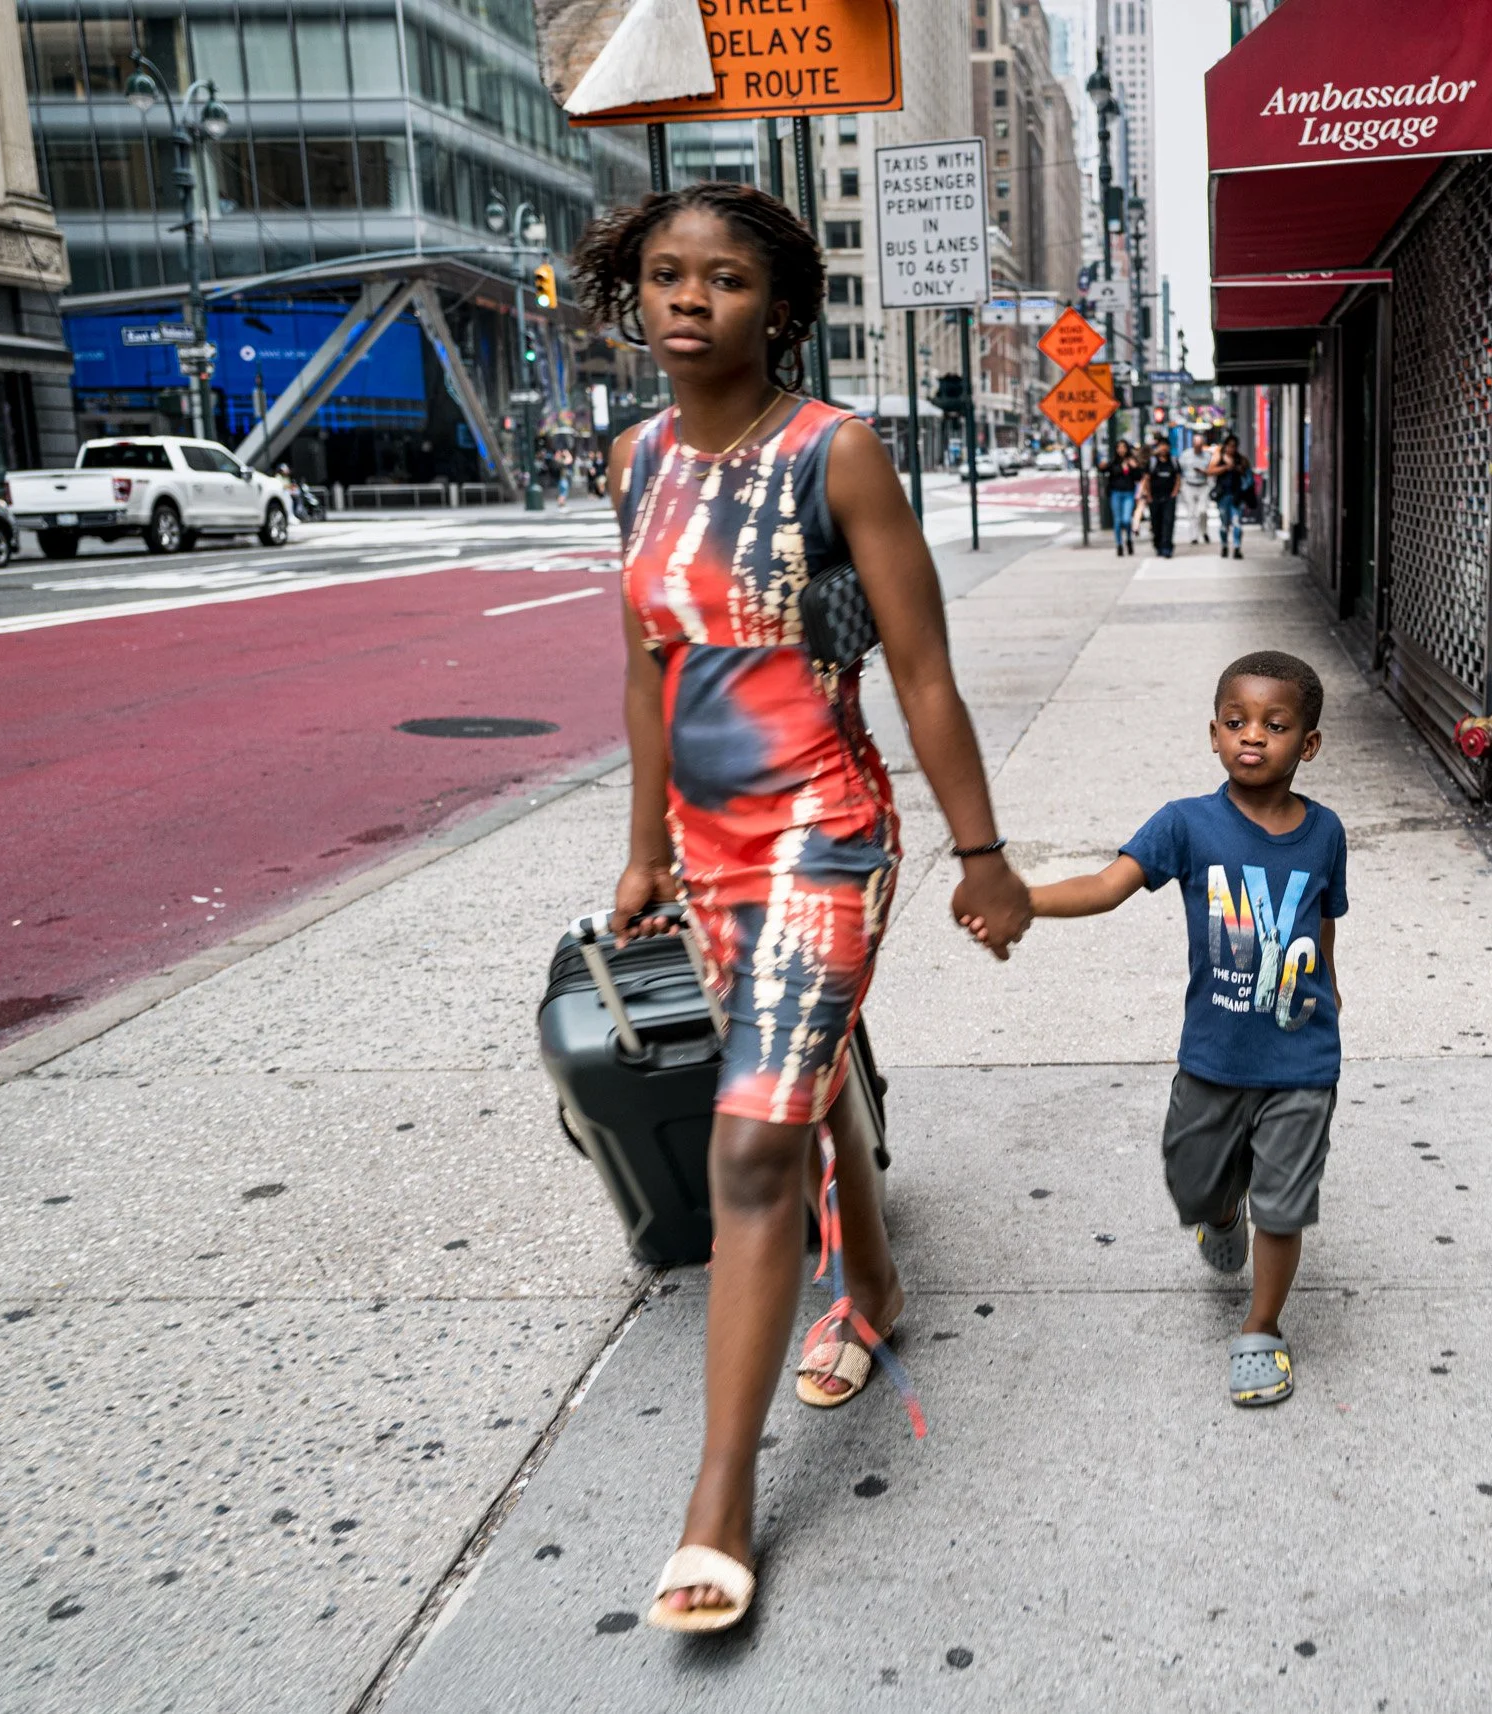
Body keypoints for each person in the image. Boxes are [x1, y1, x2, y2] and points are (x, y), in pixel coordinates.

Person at [575, 180, 1032, 1634]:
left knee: (754, 1137)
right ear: (634, 296)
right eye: (664, 276)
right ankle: (874, 1282)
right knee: (797, 1071)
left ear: (779, 304)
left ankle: (720, 1491)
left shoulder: (836, 455)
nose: (689, 298)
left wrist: (981, 852)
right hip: (708, 855)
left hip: (826, 832)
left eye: (722, 277)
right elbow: (651, 667)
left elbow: (924, 672)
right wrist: (642, 846)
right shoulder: (633, 455)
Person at [1017, 651, 1346, 1408]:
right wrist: (1025, 900)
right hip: (1213, 1056)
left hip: (1301, 1060)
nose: (1252, 737)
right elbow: (1106, 886)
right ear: (1213, 734)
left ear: (1310, 744)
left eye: (1275, 724)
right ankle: (1219, 1214)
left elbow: (1323, 929)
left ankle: (1262, 1330)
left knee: (1286, 1205)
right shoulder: (1187, 824)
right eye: (1236, 723)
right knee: (1193, 1184)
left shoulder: (1326, 834)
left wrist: (1333, 1011)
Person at [1210, 434, 1249, 558]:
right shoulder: (1219, 458)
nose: (1231, 449)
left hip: (1236, 496)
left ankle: (1237, 547)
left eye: (1234, 446)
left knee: (1237, 523)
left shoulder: (1240, 459)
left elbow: (1245, 472)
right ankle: (1224, 545)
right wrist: (1226, 467)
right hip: (1223, 496)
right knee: (1224, 524)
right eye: (1229, 446)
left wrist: (1236, 467)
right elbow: (1210, 470)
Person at [1099, 438, 1140, 554]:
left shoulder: (1132, 461)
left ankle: (1128, 539)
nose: (1121, 450)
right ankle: (1119, 544)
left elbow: (1138, 476)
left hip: (1128, 493)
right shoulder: (1113, 463)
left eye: (1124, 447)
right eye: (1119, 447)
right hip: (1115, 493)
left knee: (1126, 520)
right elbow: (1103, 469)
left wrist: (1134, 467)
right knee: (1117, 520)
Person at [1145, 441, 1181, 558]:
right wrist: (1149, 495)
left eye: (1166, 445)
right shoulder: (1152, 462)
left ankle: (1167, 546)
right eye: (1161, 445)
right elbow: (1146, 479)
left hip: (1169, 497)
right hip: (1154, 497)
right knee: (1156, 522)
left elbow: (1178, 478)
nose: (1163, 448)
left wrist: (1174, 492)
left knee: (1168, 521)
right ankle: (1158, 544)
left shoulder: (1173, 461)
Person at [1182, 432, 1213, 545]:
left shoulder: (1208, 456)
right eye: (1196, 444)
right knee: (1191, 512)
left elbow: (1212, 470)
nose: (1198, 447)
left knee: (1202, 511)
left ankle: (1204, 532)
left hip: (1203, 486)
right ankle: (1193, 536)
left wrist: (1204, 472)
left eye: (1200, 444)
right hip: (1189, 485)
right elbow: (1180, 470)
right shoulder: (1185, 455)